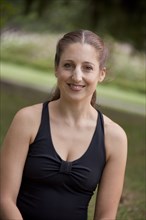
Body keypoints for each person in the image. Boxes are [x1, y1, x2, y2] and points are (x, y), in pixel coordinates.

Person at [0, 29, 127, 220]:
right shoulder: (27, 120)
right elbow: (4, 199)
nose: (76, 76)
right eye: (68, 65)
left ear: (101, 74)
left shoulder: (114, 137)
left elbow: (106, 217)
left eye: (87, 67)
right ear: (56, 68)